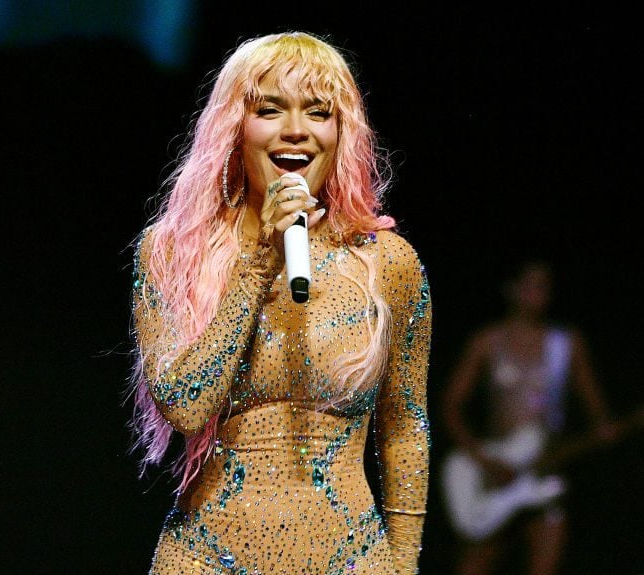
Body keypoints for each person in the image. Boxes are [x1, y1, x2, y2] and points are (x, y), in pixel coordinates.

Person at [127, 32, 432, 575]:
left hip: (351, 559)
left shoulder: (388, 264)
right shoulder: (174, 252)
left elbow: (405, 428)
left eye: (319, 112)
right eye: (270, 109)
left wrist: (403, 564)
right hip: (208, 558)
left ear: (341, 133)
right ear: (234, 127)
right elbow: (184, 404)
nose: (296, 129)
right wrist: (258, 263)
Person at [440, 260, 616, 575]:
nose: (540, 293)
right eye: (531, 284)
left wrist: (603, 427)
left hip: (544, 473)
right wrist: (484, 460)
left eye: (545, 285)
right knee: (473, 564)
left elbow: (596, 409)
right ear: (511, 288)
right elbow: (451, 407)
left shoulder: (566, 344)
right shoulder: (487, 342)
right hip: (498, 471)